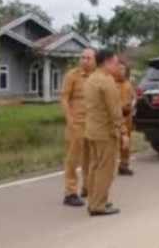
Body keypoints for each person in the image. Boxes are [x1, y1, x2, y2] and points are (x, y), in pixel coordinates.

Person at [84, 49, 130, 216]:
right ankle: (98, 205)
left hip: (92, 130)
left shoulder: (91, 79)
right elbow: (114, 110)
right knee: (106, 169)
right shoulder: (106, 81)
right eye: (116, 63)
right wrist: (124, 131)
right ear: (108, 62)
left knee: (95, 167)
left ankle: (94, 200)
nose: (118, 67)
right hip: (105, 131)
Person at [60, 48, 96, 207]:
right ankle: (70, 192)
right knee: (73, 158)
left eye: (88, 58)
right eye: (82, 57)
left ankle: (87, 187)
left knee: (90, 157)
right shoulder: (72, 76)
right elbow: (64, 98)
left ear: (95, 60)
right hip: (77, 123)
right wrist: (70, 119)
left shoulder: (98, 76)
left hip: (93, 123)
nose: (85, 60)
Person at [115, 60, 137, 176]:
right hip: (115, 117)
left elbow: (134, 97)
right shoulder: (111, 83)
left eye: (123, 69)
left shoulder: (128, 83)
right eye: (119, 69)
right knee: (114, 141)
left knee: (126, 141)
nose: (122, 71)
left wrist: (131, 106)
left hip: (127, 116)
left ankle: (124, 164)